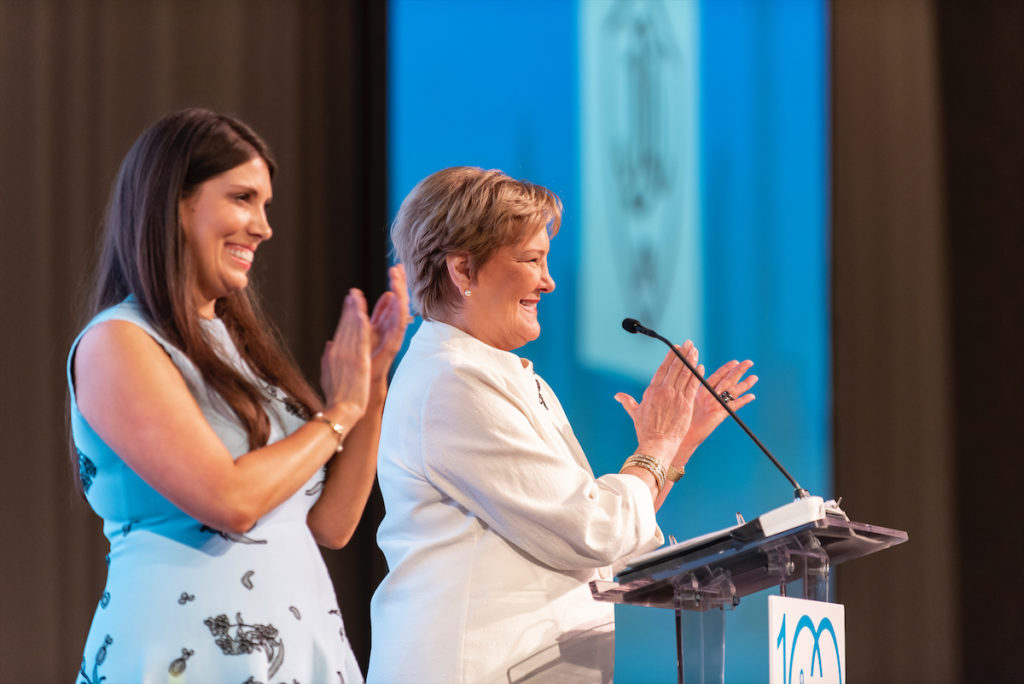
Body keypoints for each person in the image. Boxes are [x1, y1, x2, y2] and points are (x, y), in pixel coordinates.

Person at [367, 166, 757, 683]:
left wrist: (675, 448)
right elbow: (592, 532)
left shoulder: (506, 377)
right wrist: (659, 443)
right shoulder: (453, 384)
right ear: (462, 270)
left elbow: (599, 537)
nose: (548, 281)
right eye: (531, 260)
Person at [68, 108, 408, 682]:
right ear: (176, 203)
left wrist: (370, 389)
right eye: (243, 198)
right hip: (185, 655)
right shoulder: (117, 343)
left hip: (297, 647)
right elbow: (230, 501)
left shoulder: (238, 346)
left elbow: (331, 524)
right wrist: (338, 412)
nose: (263, 226)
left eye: (265, 205)